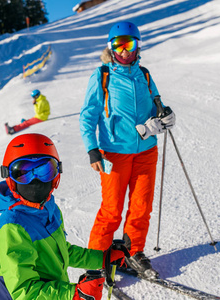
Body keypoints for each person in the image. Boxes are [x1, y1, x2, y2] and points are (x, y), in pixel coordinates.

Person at [79, 21, 176, 279]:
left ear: (137, 45)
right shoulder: (102, 76)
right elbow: (88, 115)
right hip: (114, 153)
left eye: (129, 44)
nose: (124, 51)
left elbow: (157, 103)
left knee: (141, 206)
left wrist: (164, 115)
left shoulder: (144, 74)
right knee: (111, 211)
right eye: (118, 45)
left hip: (146, 151)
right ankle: (95, 262)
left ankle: (133, 252)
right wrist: (92, 148)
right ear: (111, 48)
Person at [0, 133, 128, 299]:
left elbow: (62, 252)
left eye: (45, 170)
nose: (35, 181)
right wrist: (73, 294)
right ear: (11, 179)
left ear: (56, 175)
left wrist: (102, 258)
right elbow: (24, 291)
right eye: (23, 173)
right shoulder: (12, 227)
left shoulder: (49, 210)